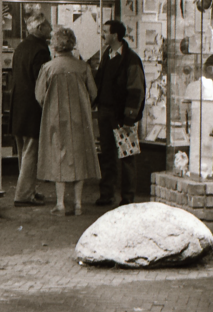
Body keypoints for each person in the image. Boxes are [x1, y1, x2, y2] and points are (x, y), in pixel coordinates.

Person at [35, 27, 100, 216]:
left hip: (55, 118)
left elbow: (39, 95)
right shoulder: (82, 67)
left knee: (58, 158)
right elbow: (93, 93)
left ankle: (61, 204)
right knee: (79, 158)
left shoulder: (48, 68)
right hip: (80, 119)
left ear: (55, 45)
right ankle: (78, 204)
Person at [94, 20, 146, 206]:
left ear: (115, 35)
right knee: (107, 154)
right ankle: (107, 194)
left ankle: (128, 197)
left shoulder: (131, 60)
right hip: (106, 113)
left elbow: (136, 90)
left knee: (126, 157)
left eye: (105, 31)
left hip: (123, 116)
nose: (102, 34)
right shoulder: (107, 56)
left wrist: (129, 117)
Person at [10, 12, 52, 206]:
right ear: (39, 28)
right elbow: (42, 81)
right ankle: (24, 194)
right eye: (47, 26)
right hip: (33, 107)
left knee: (23, 151)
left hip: (18, 105)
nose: (51, 29)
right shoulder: (41, 51)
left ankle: (27, 189)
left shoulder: (20, 47)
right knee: (31, 151)